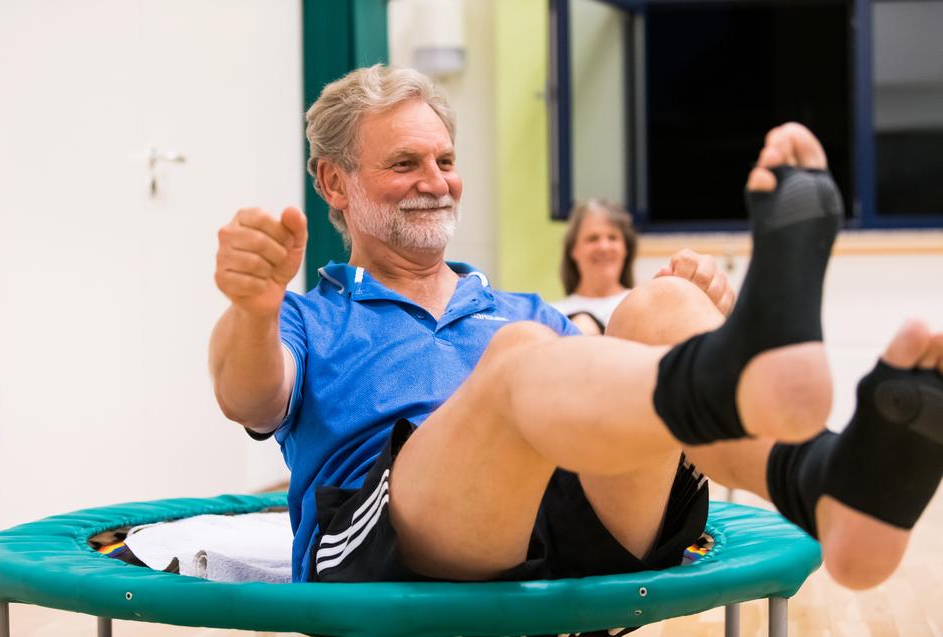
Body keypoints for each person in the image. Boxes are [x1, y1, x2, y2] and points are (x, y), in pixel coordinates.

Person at [209, 65, 943, 595]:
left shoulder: (519, 304)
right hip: (383, 542)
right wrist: (254, 304)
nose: (435, 179)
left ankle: (821, 484)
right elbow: (250, 394)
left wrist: (691, 317)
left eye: (446, 159)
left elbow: (608, 358)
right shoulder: (306, 316)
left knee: (658, 307)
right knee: (523, 357)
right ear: (334, 182)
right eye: (405, 162)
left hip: (566, 523)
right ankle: (731, 374)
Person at [553, 199, 639, 335]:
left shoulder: (642, 306)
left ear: (626, 248)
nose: (604, 247)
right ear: (573, 250)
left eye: (613, 238)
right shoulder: (554, 316)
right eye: (593, 238)